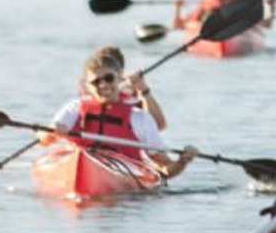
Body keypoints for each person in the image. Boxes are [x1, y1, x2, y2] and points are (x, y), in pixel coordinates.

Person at [48, 50, 195, 179]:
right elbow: (44, 138)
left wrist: (182, 162)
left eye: (108, 78)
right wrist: (53, 132)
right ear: (87, 86)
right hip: (79, 158)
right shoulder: (74, 108)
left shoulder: (139, 118)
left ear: (119, 78)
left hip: (123, 169)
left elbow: (164, 170)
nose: (103, 85)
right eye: (96, 81)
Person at [96, 45, 168, 134]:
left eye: (109, 77)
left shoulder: (132, 96)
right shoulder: (88, 91)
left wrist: (144, 90)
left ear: (120, 73)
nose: (104, 82)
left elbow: (159, 126)